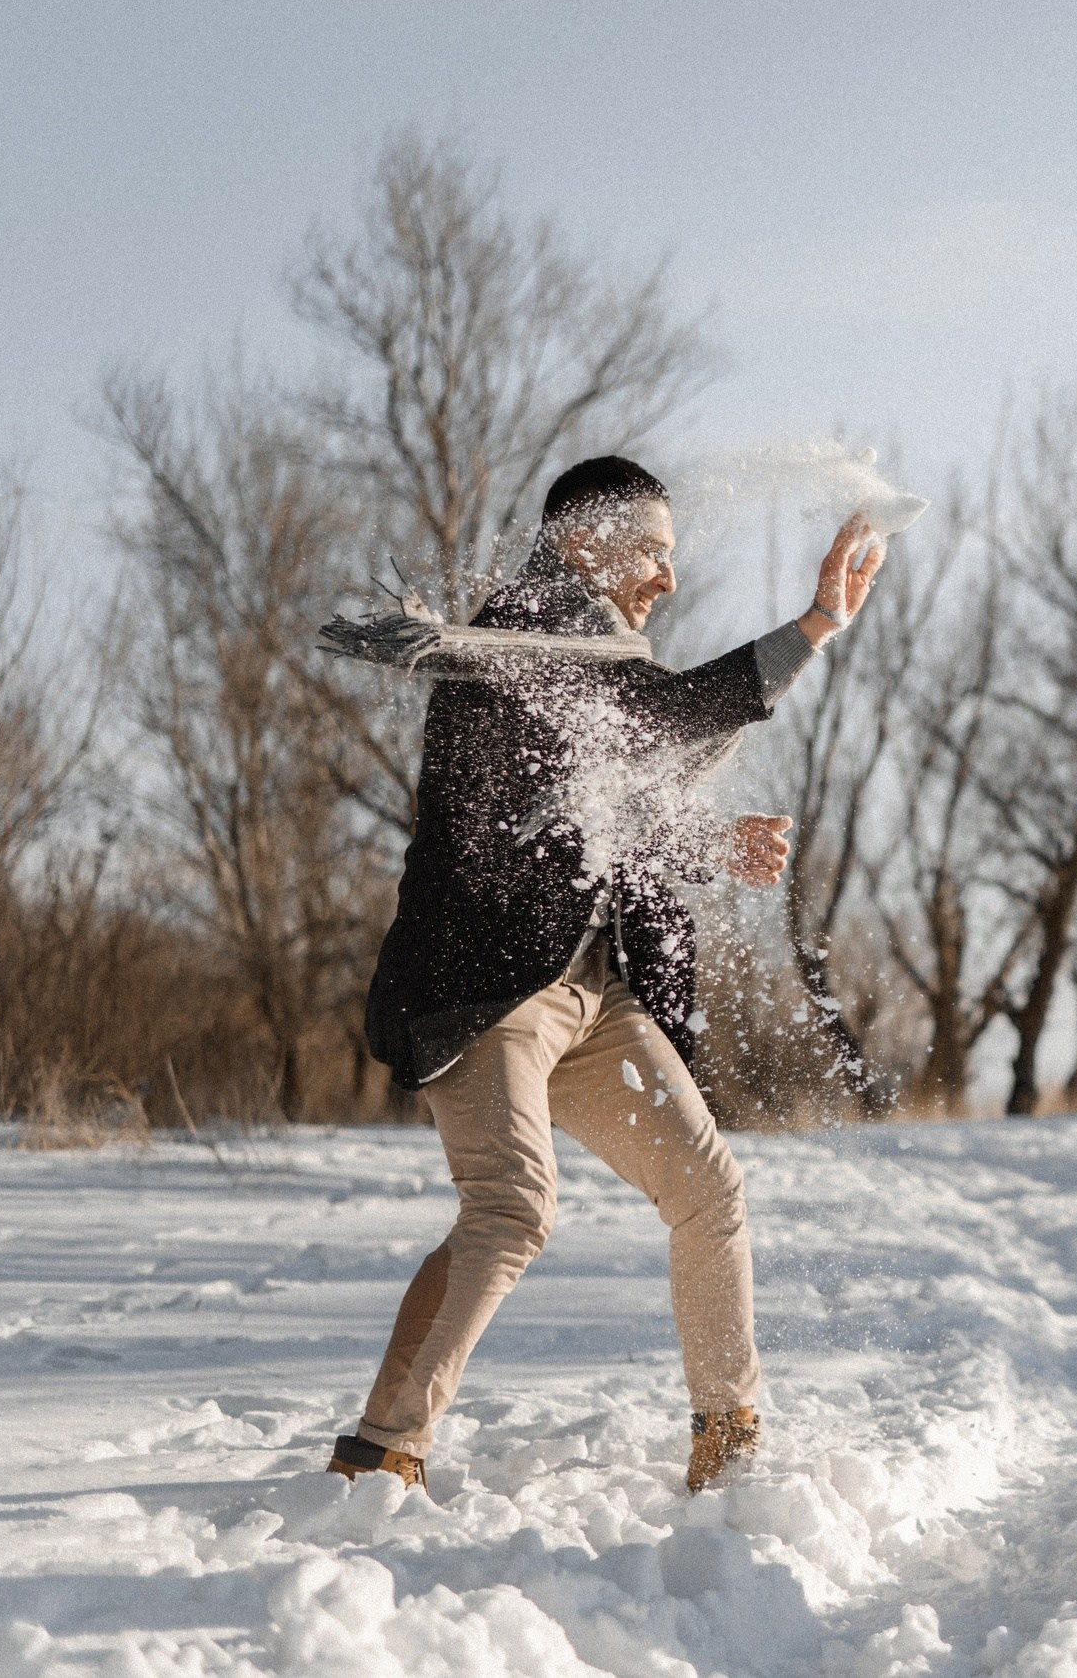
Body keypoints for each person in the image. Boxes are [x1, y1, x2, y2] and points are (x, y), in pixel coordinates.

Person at [325, 455, 887, 1496]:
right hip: (486, 996)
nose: (668, 581)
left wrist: (705, 844)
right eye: (656, 556)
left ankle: (728, 1442)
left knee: (708, 1188)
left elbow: (589, 815)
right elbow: (659, 716)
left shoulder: (577, 659)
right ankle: (378, 1452)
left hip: (588, 995)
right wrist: (810, 629)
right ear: (584, 546)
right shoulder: (527, 639)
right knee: (510, 1210)